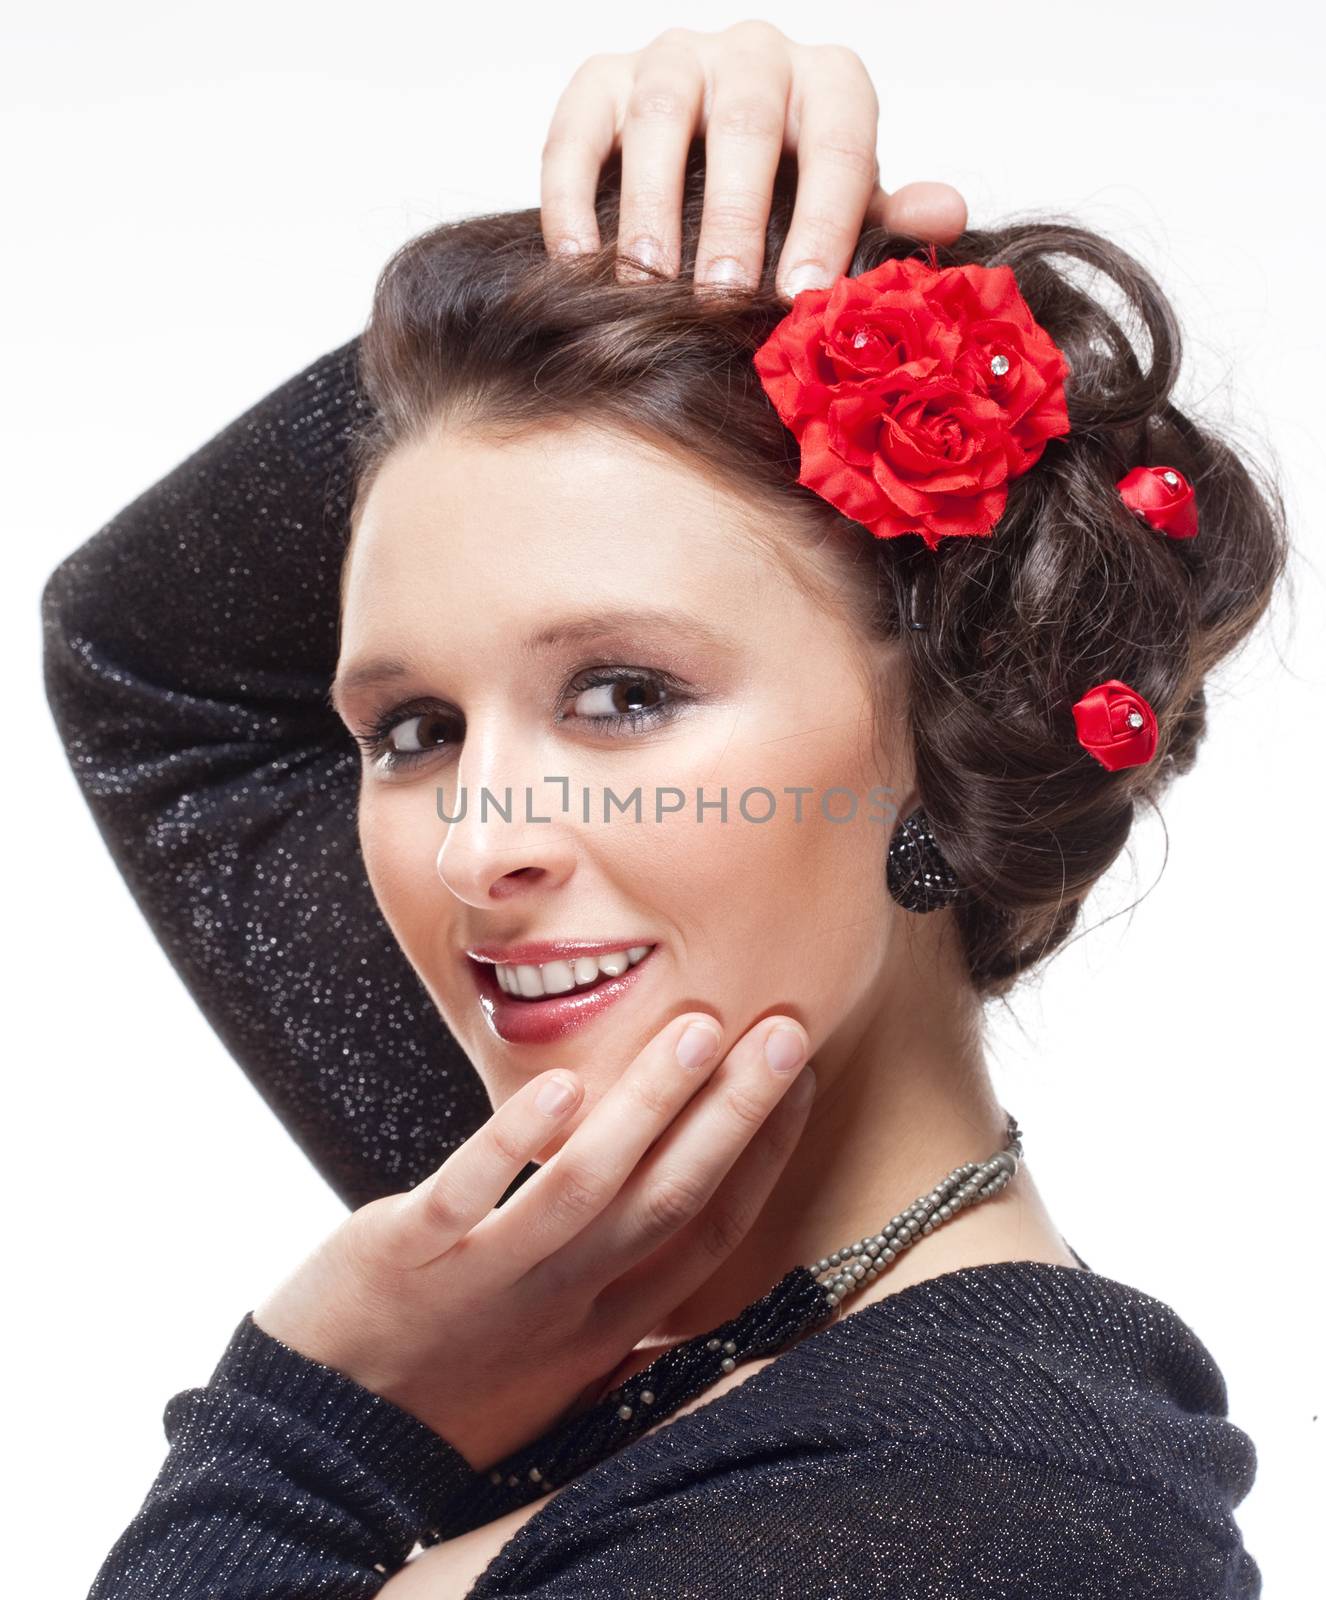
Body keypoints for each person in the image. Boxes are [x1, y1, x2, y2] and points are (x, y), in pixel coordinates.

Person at [42, 24, 1282, 1600]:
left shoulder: (978, 1536)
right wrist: (663, 252)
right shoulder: (592, 1257)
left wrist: (314, 1439)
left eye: (622, 696)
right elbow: (156, 665)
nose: (480, 844)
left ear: (948, 710)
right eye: (414, 729)